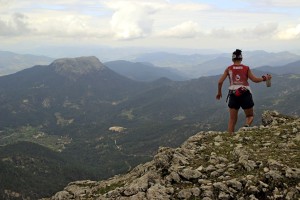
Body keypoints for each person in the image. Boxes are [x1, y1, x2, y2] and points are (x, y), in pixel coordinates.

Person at [216, 49, 272, 134]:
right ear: (241, 59)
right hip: (245, 93)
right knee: (250, 116)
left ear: (232, 59)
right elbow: (255, 80)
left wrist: (219, 92)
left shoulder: (228, 69)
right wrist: (265, 78)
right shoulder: (246, 68)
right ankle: (246, 127)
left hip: (233, 94)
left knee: (232, 120)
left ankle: (229, 138)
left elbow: (220, 82)